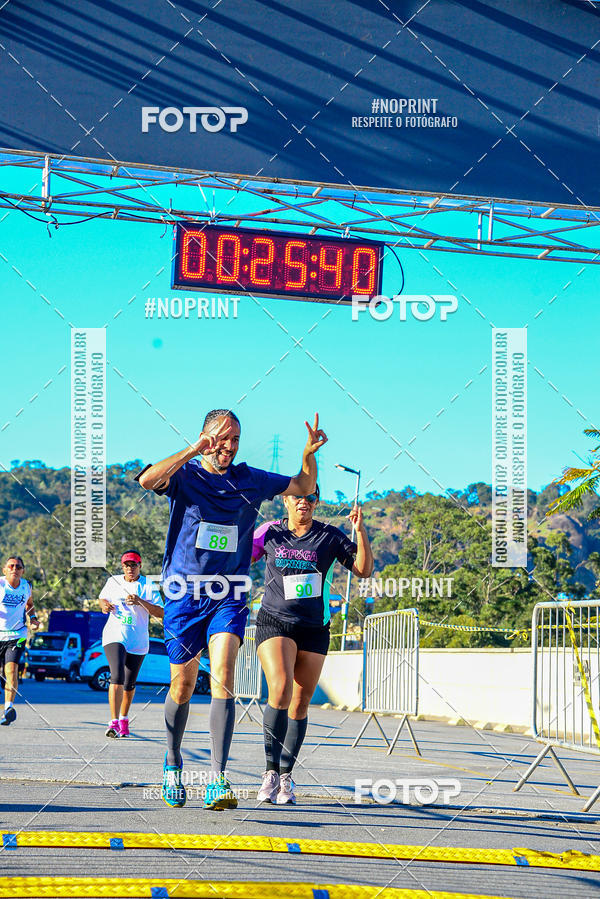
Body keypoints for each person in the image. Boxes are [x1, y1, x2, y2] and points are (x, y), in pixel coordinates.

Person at [137, 409, 326, 810]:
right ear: (206, 437)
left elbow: (304, 483)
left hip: (229, 591)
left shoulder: (249, 479)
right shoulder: (187, 476)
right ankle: (172, 763)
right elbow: (148, 479)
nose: (229, 446)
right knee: (182, 686)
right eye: (221, 438)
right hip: (183, 593)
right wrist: (194, 450)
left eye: (235, 439)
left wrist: (308, 453)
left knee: (223, 677)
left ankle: (217, 780)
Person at [252, 490, 373, 804]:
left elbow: (363, 569)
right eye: (296, 496)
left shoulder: (329, 536)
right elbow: (236, 557)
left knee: (300, 704)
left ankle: (286, 776)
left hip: (314, 628)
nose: (303, 500)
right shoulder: (270, 532)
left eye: (309, 496)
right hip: (274, 621)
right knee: (280, 690)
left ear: (315, 502)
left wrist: (360, 532)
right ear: (285, 501)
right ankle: (269, 774)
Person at [98, 550, 164, 738]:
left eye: (134, 565)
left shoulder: (148, 585)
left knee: (129, 683)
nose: (130, 568)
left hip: (138, 639)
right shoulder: (113, 581)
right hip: (115, 635)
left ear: (140, 566)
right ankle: (113, 722)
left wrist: (140, 601)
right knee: (116, 675)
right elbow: (103, 599)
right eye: (127, 565)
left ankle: (124, 718)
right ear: (122, 567)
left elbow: (161, 613)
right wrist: (104, 606)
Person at [0, 556, 39, 726]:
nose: (14, 569)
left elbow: (29, 604)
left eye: (18, 566)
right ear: (5, 570)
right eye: (11, 566)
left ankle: (8, 708)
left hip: (17, 634)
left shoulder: (26, 586)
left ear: (23, 570)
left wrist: (34, 618)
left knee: (12, 669)